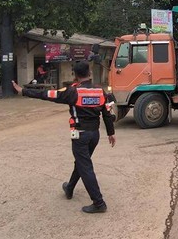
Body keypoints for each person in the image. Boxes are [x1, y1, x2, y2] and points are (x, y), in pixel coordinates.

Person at [11, 61, 116, 214]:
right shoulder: (100, 91)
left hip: (80, 135)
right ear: (89, 73)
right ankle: (69, 187)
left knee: (85, 166)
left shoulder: (72, 92)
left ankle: (99, 203)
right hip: (95, 135)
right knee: (81, 162)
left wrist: (23, 91)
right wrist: (111, 133)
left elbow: (47, 94)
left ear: (75, 75)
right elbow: (107, 113)